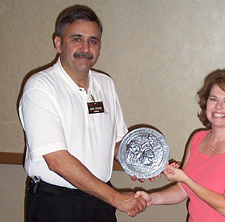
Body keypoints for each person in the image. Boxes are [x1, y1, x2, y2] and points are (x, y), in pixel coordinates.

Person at [18, 5, 147, 222]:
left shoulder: (105, 84)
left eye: (93, 41)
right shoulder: (40, 87)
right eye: (77, 39)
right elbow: (57, 160)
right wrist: (116, 198)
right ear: (58, 43)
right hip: (56, 203)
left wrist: (142, 161)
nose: (86, 48)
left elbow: (116, 144)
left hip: (100, 200)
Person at [136, 68, 225, 221]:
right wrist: (152, 198)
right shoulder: (197, 139)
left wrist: (186, 179)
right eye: (213, 99)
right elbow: (183, 190)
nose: (218, 106)